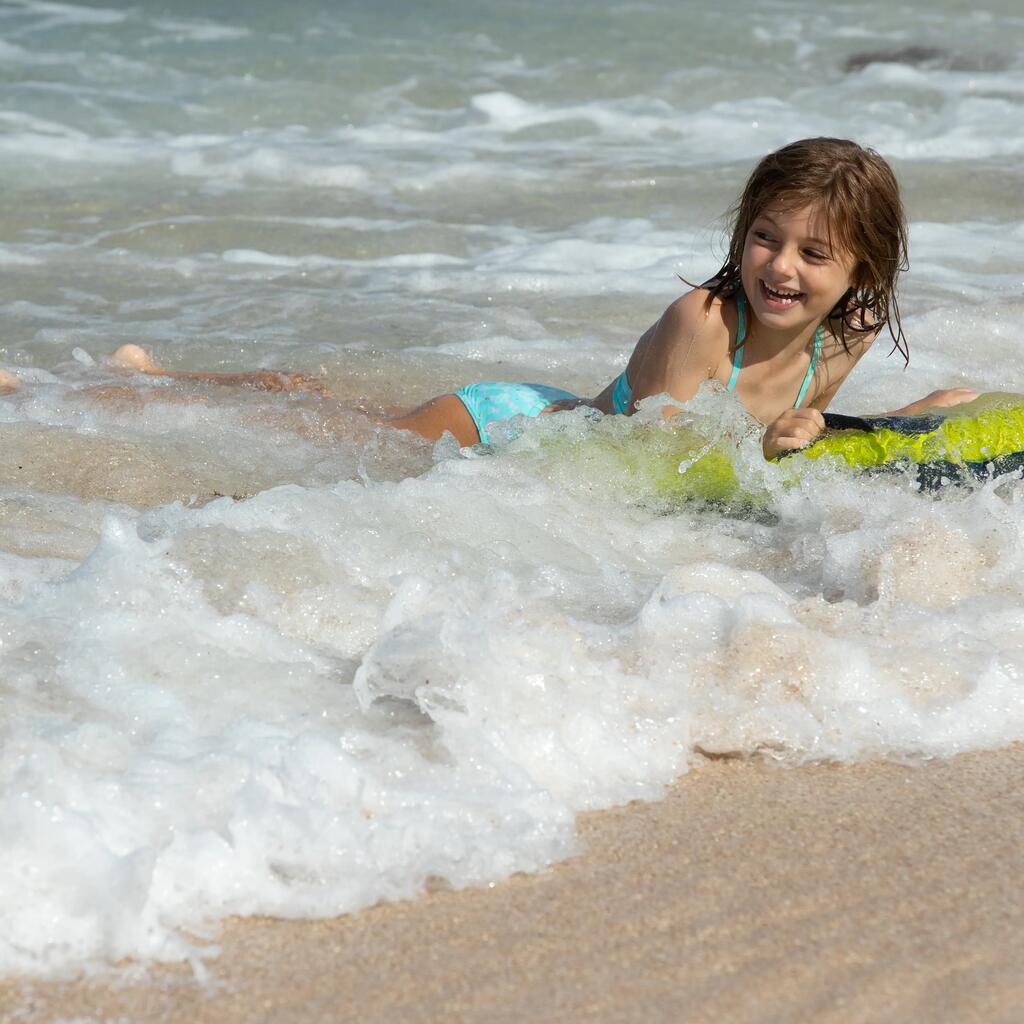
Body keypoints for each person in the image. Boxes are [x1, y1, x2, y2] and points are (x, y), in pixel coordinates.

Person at [8, 138, 977, 449]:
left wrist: (869, 422)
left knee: (327, 409)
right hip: (506, 426)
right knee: (316, 429)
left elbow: (792, 420)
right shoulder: (701, 323)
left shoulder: (843, 334)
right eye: (766, 236)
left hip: (549, 422)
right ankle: (77, 392)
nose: (781, 266)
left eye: (814, 254)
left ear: (862, 276)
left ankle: (161, 372)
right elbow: (654, 471)